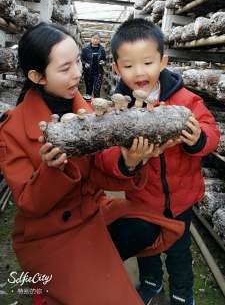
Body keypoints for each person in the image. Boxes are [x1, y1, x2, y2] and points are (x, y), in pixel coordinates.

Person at [0, 22, 184, 305]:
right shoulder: (12, 129)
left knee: (147, 226)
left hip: (92, 212)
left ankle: (89, 269)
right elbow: (29, 203)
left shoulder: (86, 108)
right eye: (65, 68)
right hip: (50, 232)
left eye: (77, 61)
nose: (78, 72)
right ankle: (59, 281)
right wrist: (52, 170)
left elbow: (101, 170)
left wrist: (129, 163)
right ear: (37, 76)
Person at [108, 17, 220, 305]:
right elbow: (108, 155)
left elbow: (211, 132)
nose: (139, 72)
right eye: (129, 66)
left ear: (163, 61)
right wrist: (127, 161)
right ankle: (151, 282)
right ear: (116, 69)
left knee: (179, 252)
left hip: (181, 200)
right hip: (143, 198)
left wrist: (198, 139)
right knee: (148, 248)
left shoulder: (186, 100)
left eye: (147, 62)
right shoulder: (118, 108)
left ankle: (182, 295)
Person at [81, 32, 106, 99]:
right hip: (88, 73)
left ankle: (97, 105)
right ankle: (88, 106)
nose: (95, 40)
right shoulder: (85, 49)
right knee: (88, 90)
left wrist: (103, 62)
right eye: (94, 38)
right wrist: (85, 63)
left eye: (97, 39)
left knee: (96, 90)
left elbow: (104, 60)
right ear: (91, 39)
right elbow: (82, 59)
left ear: (99, 40)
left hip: (98, 73)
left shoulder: (102, 50)